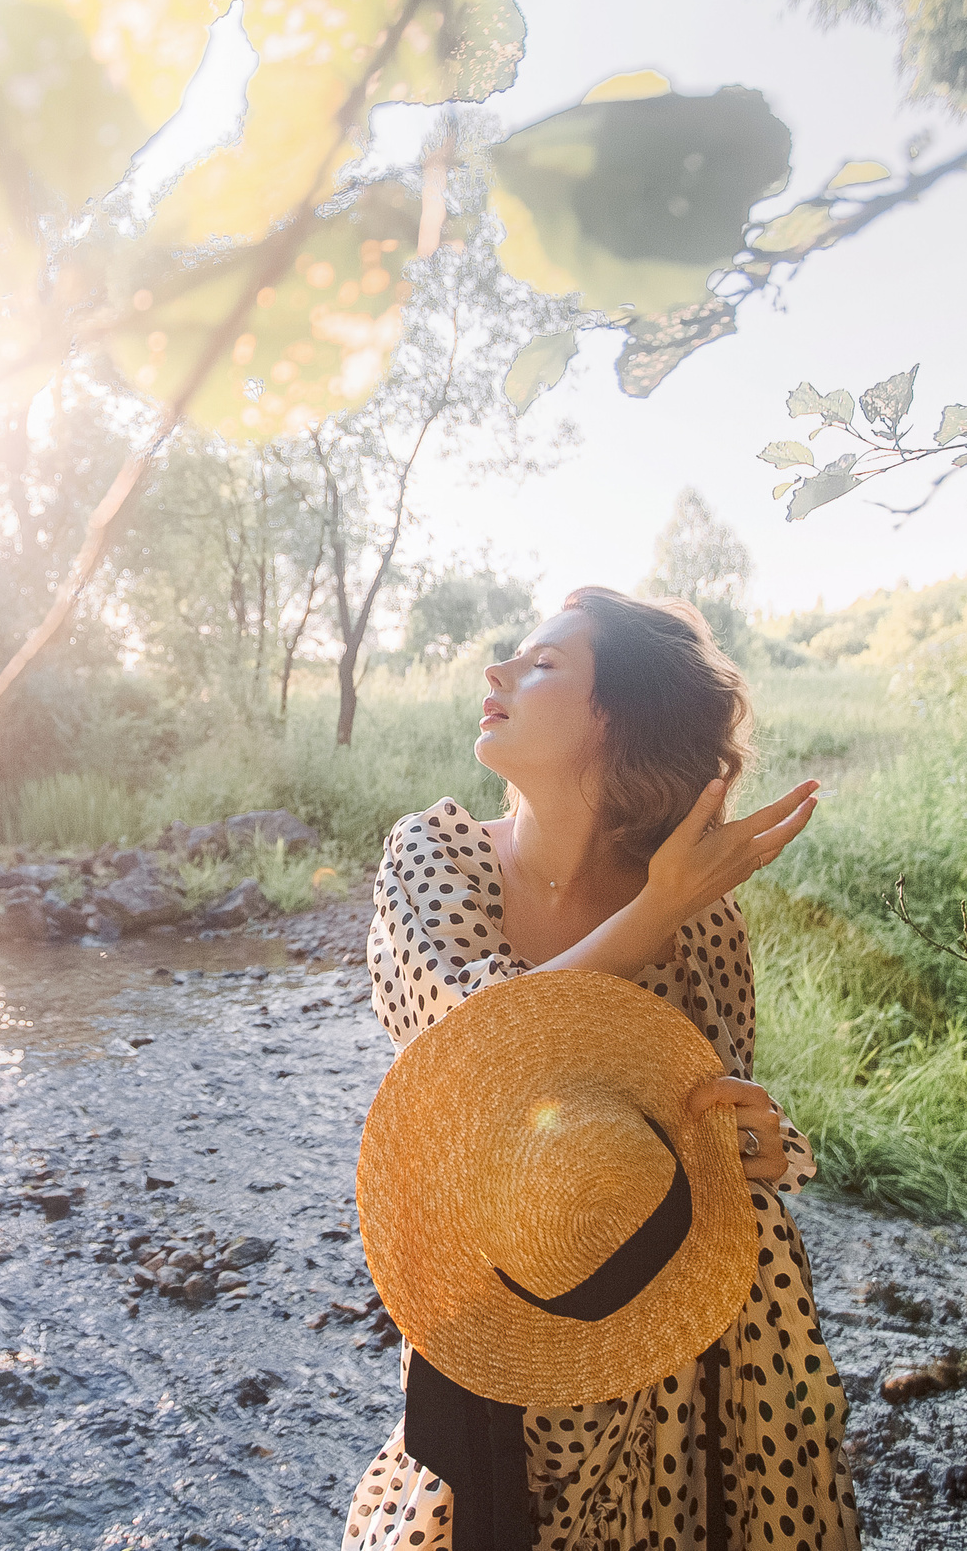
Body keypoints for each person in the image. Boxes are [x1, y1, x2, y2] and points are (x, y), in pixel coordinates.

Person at [344, 585, 861, 1551]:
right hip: (504, 1289)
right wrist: (653, 910)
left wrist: (751, 1137)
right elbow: (464, 1044)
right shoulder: (435, 855)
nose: (496, 672)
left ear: (617, 722)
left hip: (679, 1320)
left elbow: (710, 1099)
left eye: (541, 664)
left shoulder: (702, 912)